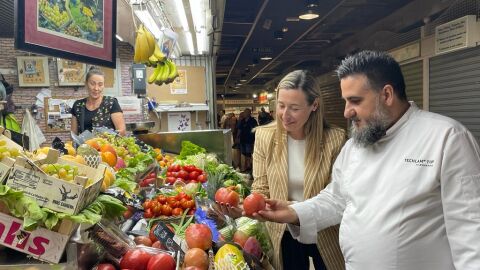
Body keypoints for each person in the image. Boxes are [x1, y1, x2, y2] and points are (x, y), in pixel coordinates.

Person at [252, 51, 480, 269]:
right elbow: (336, 199)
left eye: (355, 101)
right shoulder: (355, 145)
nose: (346, 112)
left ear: (387, 95)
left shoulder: (446, 138)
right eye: (345, 101)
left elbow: (471, 231)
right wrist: (295, 212)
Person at [250, 70, 346, 270]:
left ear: (314, 105)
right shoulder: (264, 137)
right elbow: (261, 187)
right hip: (282, 231)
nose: (285, 115)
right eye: (281, 105)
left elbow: (337, 197)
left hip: (326, 232)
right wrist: (250, 208)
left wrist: (295, 210)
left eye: (294, 108)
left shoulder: (335, 140)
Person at [71, 67, 126, 136]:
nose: (96, 88)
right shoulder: (78, 105)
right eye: (92, 84)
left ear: (103, 85)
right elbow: (73, 134)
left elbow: (122, 131)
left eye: (100, 84)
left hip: (107, 146)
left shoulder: (111, 103)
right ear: (86, 84)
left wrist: (105, 138)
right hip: (84, 146)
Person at [237, 108, 257, 172]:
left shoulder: (253, 121)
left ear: (249, 113)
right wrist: (237, 137)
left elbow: (255, 129)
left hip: (249, 139)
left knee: (248, 152)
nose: (244, 113)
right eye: (244, 112)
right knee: (244, 152)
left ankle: (249, 165)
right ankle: (247, 165)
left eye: (246, 112)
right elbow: (239, 129)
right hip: (243, 139)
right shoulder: (242, 120)